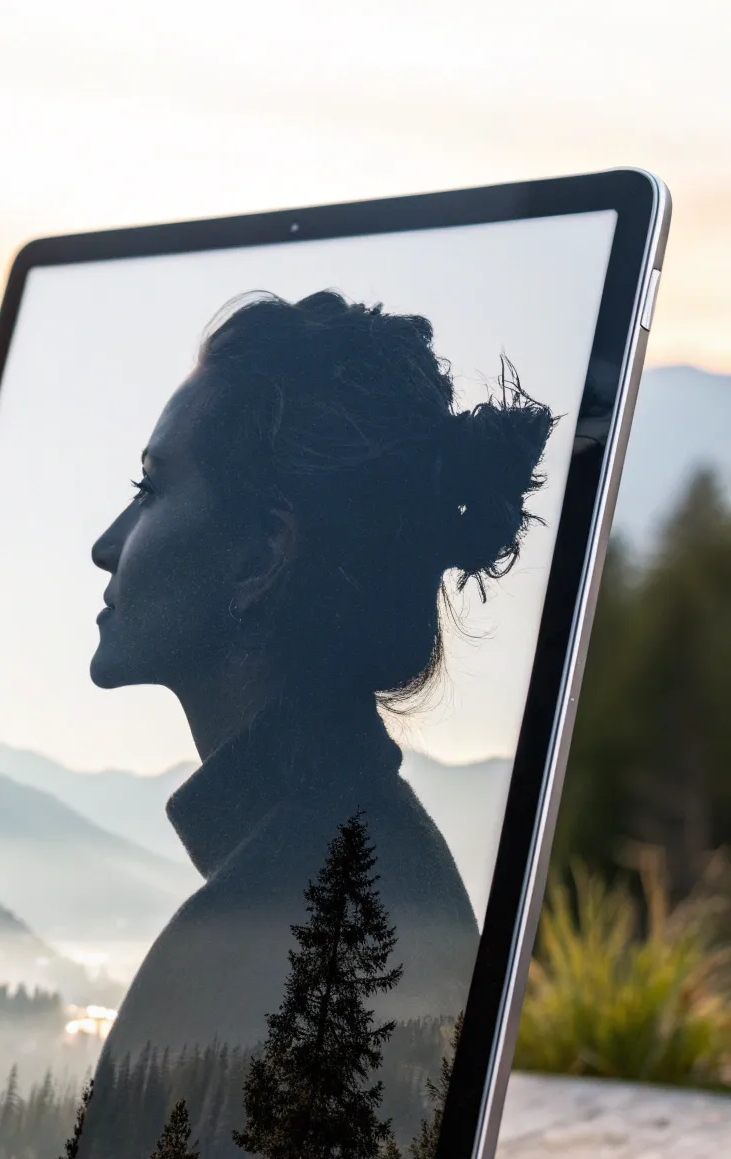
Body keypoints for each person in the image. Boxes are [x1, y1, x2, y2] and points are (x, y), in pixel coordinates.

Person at [87, 289, 553, 1061]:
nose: (108, 545)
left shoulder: (260, 943)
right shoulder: (371, 868)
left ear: (261, 554)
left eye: (151, 489)